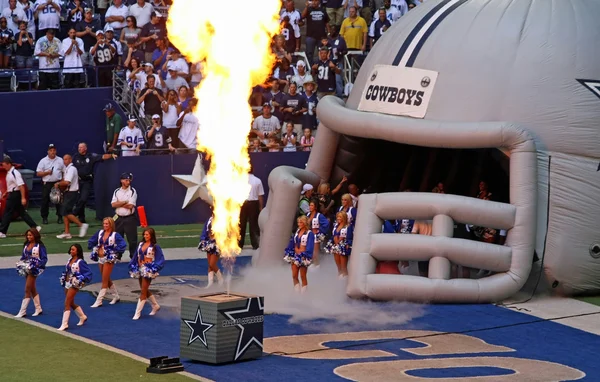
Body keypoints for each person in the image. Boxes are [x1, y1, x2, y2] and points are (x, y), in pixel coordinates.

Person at [88, 217, 127, 308]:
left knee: (104, 280)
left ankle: (99, 300)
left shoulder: (115, 235)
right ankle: (116, 296)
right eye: (104, 223)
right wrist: (91, 246)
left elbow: (123, 245)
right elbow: (92, 240)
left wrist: (114, 250)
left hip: (109, 259)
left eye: (107, 224)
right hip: (100, 258)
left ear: (111, 225)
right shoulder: (100, 233)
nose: (105, 225)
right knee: (106, 278)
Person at [0, 157, 41, 239]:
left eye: (4, 165)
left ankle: (2, 231)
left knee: (8, 212)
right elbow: (12, 185)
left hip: (15, 195)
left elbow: (21, 186)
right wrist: (6, 193)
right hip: (12, 193)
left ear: (9, 164)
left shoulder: (15, 173)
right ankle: (35, 226)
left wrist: (23, 198)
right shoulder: (9, 173)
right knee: (21, 212)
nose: (3, 167)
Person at [129, 227, 165, 320]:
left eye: (147, 235)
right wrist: (132, 264)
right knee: (143, 289)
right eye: (144, 234)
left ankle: (137, 313)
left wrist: (155, 267)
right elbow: (135, 256)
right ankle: (155, 305)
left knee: (143, 291)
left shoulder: (155, 246)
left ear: (151, 236)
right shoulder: (141, 244)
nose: (145, 236)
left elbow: (160, 259)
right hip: (140, 268)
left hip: (148, 270)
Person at [58, 243, 93, 331]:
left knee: (67, 303)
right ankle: (82, 316)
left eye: (73, 250)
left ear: (78, 251)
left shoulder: (80, 262)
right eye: (71, 249)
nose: (71, 251)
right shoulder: (69, 260)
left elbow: (88, 273)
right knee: (70, 302)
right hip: (67, 283)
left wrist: (81, 279)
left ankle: (64, 324)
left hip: (74, 284)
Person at [14, 228, 47, 318]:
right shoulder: (26, 245)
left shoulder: (39, 246)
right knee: (32, 288)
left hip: (34, 269)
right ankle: (38, 308)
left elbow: (44, 259)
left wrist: (37, 265)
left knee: (27, 289)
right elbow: (23, 257)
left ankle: (22, 311)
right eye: (27, 235)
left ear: (35, 236)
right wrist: (21, 263)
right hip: (27, 268)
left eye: (30, 235)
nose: (28, 237)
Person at [55, 154, 89, 239]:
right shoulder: (67, 169)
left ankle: (81, 225)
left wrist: (58, 184)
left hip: (72, 193)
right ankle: (67, 232)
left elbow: (67, 182)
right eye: (64, 159)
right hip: (67, 193)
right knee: (65, 212)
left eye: (66, 159)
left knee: (65, 212)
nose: (64, 161)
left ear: (70, 160)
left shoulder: (72, 169)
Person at [284, 215, 315, 293]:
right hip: (295, 255)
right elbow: (292, 242)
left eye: (301, 222)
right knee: (294, 276)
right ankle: (297, 294)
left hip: (304, 256)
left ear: (305, 223)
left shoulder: (309, 233)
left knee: (303, 276)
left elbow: (310, 245)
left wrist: (306, 255)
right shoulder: (297, 231)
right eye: (298, 222)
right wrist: (289, 251)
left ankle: (304, 295)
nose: (299, 224)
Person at [36, 143, 65, 225]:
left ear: (56, 151)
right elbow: (38, 173)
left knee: (59, 200)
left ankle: (60, 217)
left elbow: (64, 171)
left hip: (57, 183)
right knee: (45, 201)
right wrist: (46, 173)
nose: (52, 152)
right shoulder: (43, 161)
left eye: (54, 150)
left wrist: (62, 181)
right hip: (47, 183)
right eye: (51, 150)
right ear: (48, 151)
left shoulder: (60, 160)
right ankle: (44, 217)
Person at [111, 172, 138, 258]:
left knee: (132, 239)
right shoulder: (117, 191)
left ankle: (133, 256)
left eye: (129, 180)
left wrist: (119, 203)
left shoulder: (132, 191)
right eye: (126, 180)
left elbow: (130, 205)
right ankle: (118, 255)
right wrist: (124, 202)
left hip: (129, 218)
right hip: (118, 218)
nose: (128, 182)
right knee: (118, 237)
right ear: (121, 180)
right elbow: (113, 205)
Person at [238, 164, 264, 250]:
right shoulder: (257, 180)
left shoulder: (240, 180)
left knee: (241, 224)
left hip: (242, 203)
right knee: (254, 225)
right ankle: (255, 244)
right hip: (253, 203)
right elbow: (260, 196)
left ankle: (239, 244)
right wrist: (260, 207)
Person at [325, 211, 354, 278]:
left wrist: (347, 244)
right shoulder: (335, 226)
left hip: (343, 247)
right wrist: (330, 242)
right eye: (337, 217)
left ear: (344, 218)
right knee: (339, 267)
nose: (338, 218)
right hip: (335, 247)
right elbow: (333, 236)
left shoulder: (348, 226)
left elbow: (350, 237)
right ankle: (339, 279)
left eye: (340, 217)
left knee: (344, 267)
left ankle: (345, 280)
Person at [198, 214, 224, 288]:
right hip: (208, 244)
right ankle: (210, 283)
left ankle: (220, 279)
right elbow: (205, 231)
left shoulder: (222, 220)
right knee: (210, 264)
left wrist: (216, 240)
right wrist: (203, 239)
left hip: (217, 244)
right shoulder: (209, 219)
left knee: (212, 264)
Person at [306, 199, 329, 268]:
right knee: (309, 250)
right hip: (309, 235)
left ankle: (317, 265)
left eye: (312, 205)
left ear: (315, 207)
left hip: (316, 235)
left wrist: (319, 231)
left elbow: (326, 223)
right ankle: (312, 263)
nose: (310, 207)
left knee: (315, 252)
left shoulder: (319, 215)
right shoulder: (308, 214)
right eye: (310, 205)